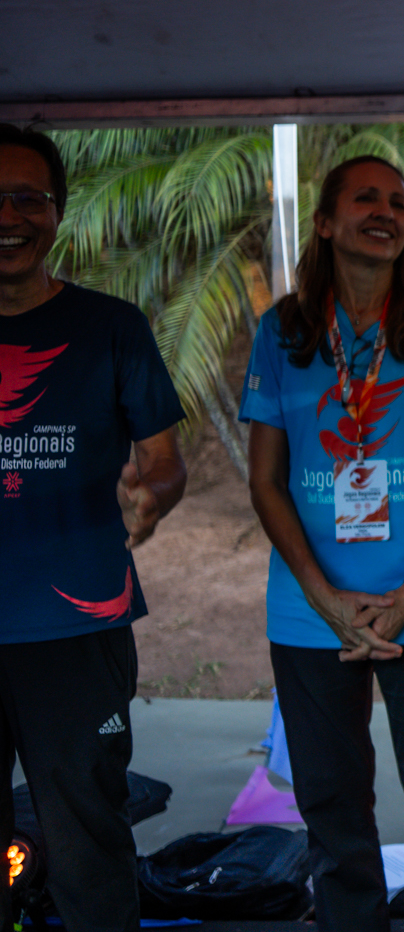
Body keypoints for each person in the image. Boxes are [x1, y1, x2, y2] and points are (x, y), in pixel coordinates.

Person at [239, 155, 404, 932]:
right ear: (324, 222)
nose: (386, 211)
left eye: (398, 202)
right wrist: (325, 599)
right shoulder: (282, 331)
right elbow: (265, 481)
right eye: (365, 198)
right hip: (310, 616)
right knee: (332, 808)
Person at [0, 124, 186, 932]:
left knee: (88, 846)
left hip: (77, 626)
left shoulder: (112, 327)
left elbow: (166, 463)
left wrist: (153, 495)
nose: (9, 215)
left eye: (27, 197)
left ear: (57, 212)